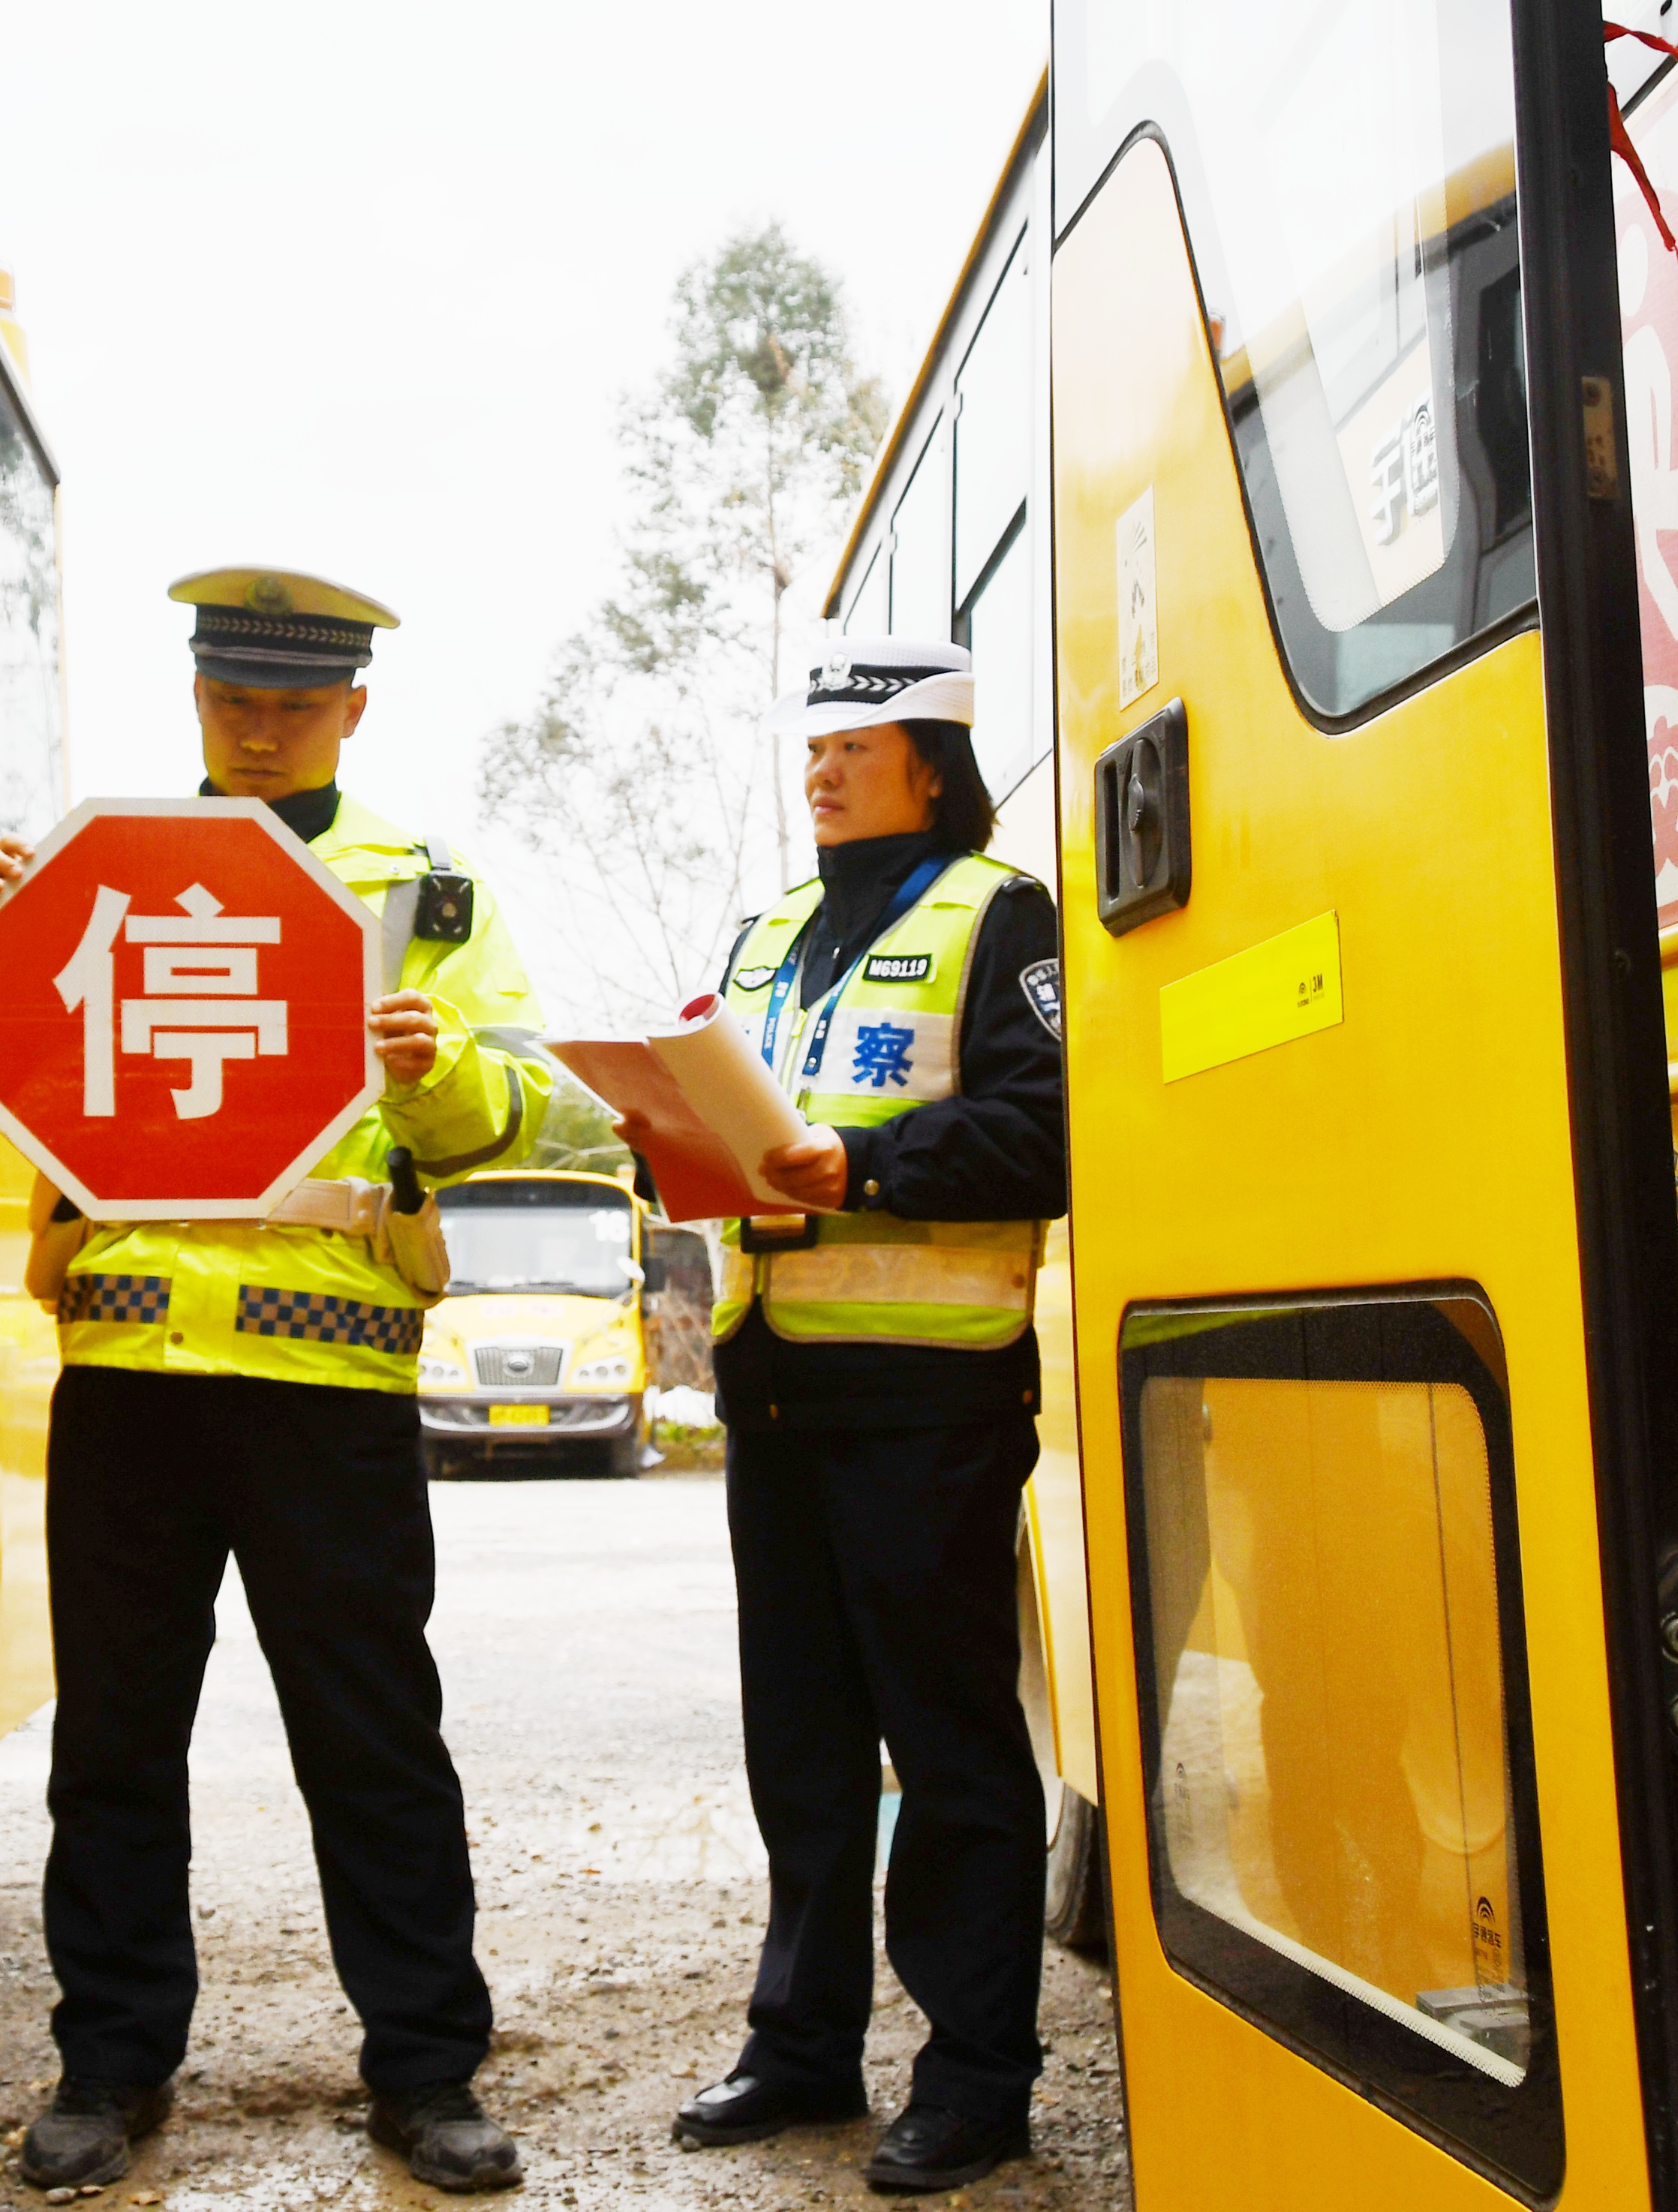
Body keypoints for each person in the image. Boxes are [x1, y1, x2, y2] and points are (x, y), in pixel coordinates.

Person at [0, 567, 553, 2197]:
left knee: (371, 1738)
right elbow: (6, 1056)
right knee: (116, 1740)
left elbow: (509, 1111)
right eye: (233, 697)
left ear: (354, 708)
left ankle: (426, 2068)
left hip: (329, 1381)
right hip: (133, 1369)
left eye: (293, 702)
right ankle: (108, 2063)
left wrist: (436, 1072)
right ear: (196, 699)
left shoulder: (423, 893)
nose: (260, 725)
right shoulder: (98, 869)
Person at [667, 638, 1066, 2195]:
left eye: (857, 746)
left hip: (929, 1396)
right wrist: (662, 1135)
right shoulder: (768, 933)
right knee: (804, 1741)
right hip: (772, 1390)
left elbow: (1046, 1129)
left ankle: (975, 2075)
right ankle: (799, 2043)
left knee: (950, 1749)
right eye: (812, 748)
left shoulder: (995, 910)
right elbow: (721, 1107)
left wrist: (862, 1160)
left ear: (932, 764)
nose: (820, 770)